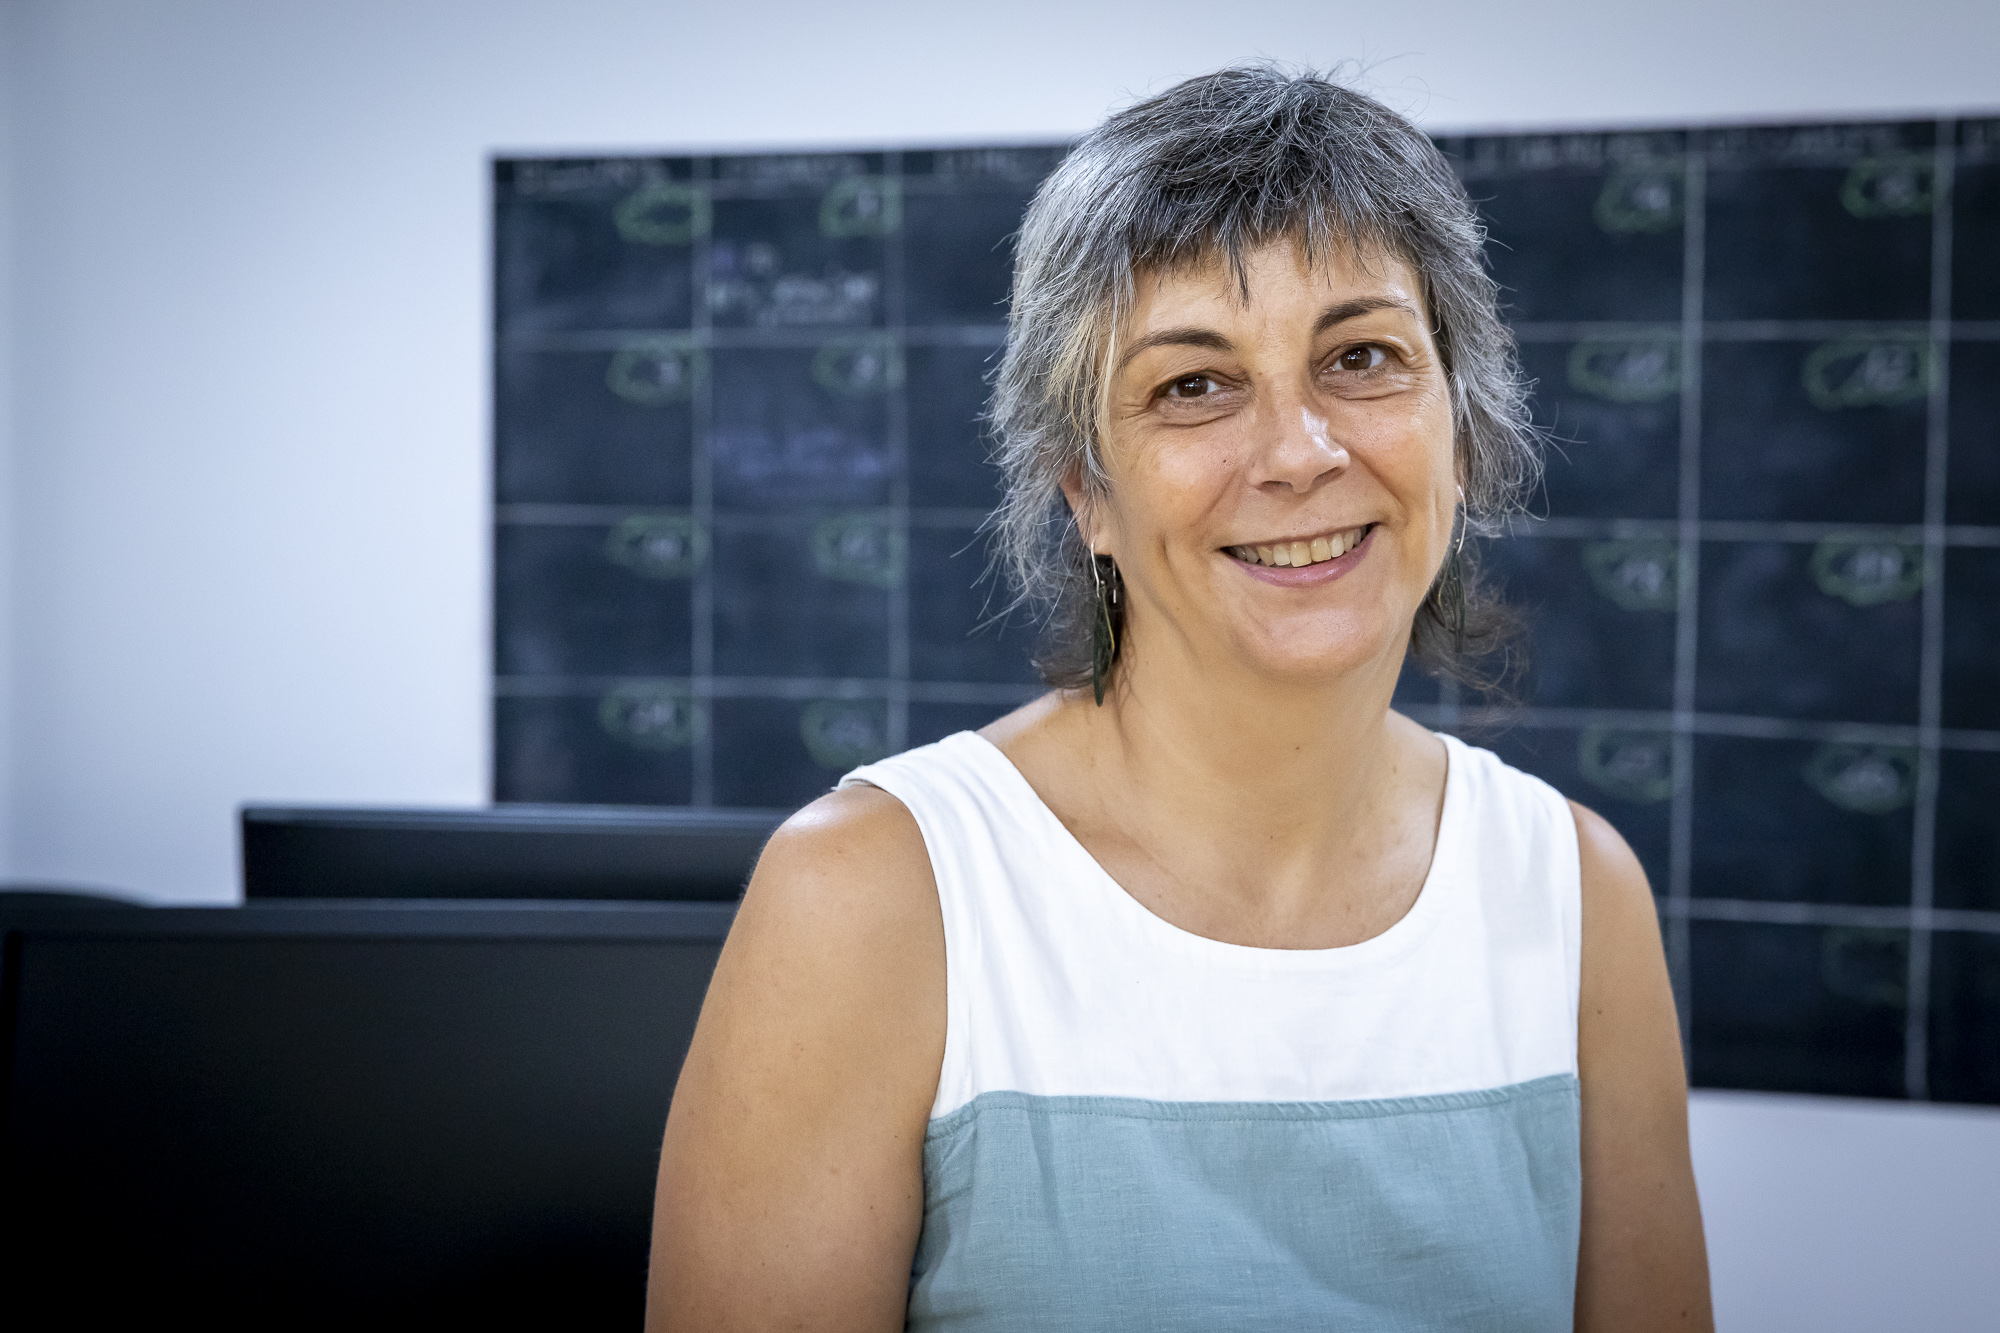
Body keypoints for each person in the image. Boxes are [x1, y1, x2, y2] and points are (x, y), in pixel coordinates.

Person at [647, 65, 1712, 1332]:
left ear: (1460, 428)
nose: (1297, 453)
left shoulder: (1574, 892)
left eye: (1361, 357)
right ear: (1082, 492)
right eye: (1192, 385)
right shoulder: (876, 897)